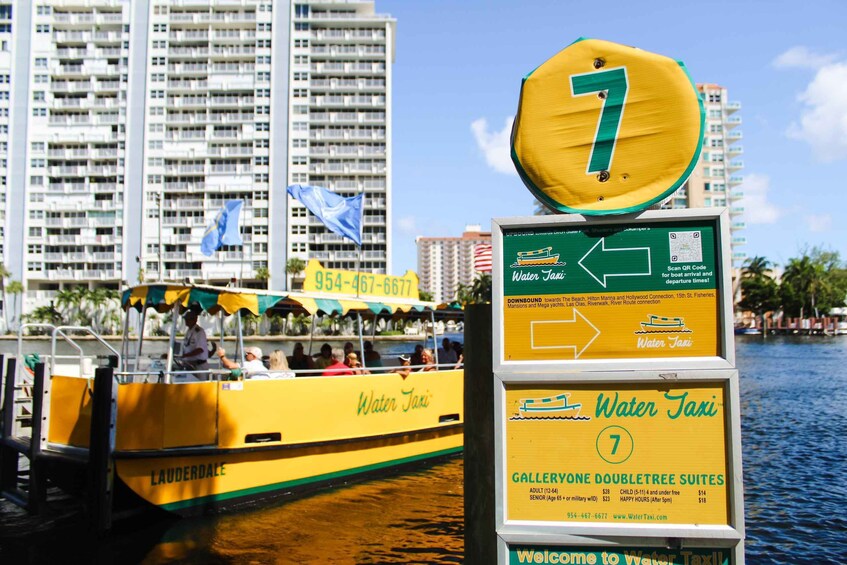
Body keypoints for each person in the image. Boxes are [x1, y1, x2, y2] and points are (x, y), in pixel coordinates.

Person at [179, 310, 209, 376]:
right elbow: (187, 346)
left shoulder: (199, 332)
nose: (186, 321)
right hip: (190, 364)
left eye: (188, 319)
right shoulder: (189, 331)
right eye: (186, 319)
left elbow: (200, 350)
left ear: (195, 319)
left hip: (199, 366)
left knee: (201, 384)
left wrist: (185, 355)